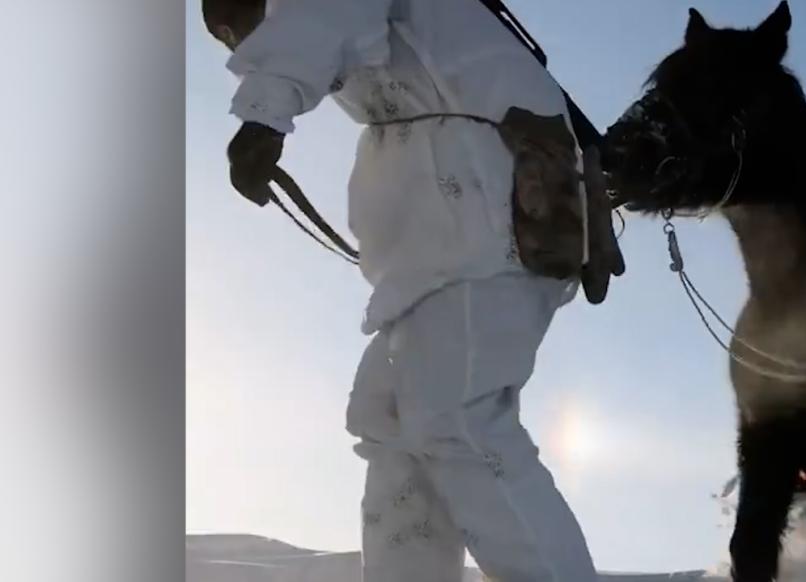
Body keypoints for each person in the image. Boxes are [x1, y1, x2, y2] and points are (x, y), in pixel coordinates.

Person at [201, 1, 620, 580]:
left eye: (248, 37)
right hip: (448, 239)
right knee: (395, 420)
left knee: (454, 412)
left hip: (494, 209)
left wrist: (265, 113)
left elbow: (327, 14)